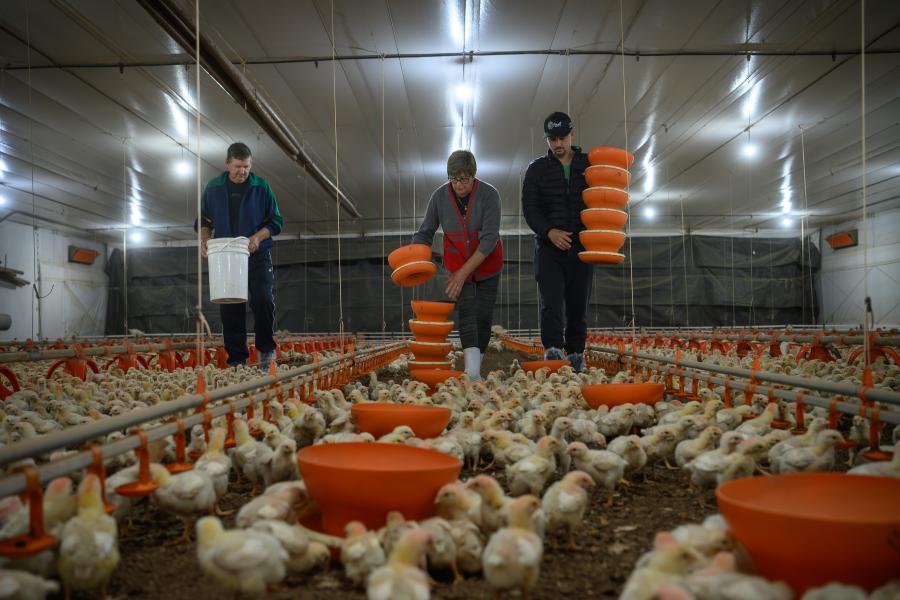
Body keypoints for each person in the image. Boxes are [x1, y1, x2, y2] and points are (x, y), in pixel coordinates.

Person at [411, 150, 503, 381]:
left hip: (487, 264)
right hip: (458, 262)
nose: (459, 185)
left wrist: (462, 274)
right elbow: (425, 232)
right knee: (467, 313)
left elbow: (489, 239)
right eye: (454, 179)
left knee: (483, 316)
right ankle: (471, 373)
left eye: (464, 179)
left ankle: (476, 369)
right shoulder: (439, 197)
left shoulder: (489, 195)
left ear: (473, 175)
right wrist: (413, 258)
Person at [198, 142, 283, 368]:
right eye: (237, 166)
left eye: (246, 166)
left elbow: (276, 221)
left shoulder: (261, 187)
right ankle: (237, 360)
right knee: (230, 306)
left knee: (263, 300)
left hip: (256, 254)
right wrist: (204, 240)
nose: (242, 171)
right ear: (227, 164)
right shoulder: (213, 188)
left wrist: (257, 238)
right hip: (226, 256)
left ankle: (266, 350)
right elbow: (203, 220)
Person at [522, 111, 592, 372]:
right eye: (552, 139)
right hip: (549, 249)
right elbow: (530, 209)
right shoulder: (537, 169)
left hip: (582, 248)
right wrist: (549, 232)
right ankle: (552, 352)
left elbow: (601, 198)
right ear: (547, 139)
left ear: (572, 134)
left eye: (562, 138)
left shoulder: (589, 165)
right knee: (551, 304)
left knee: (577, 304)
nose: (558, 144)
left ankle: (575, 355)